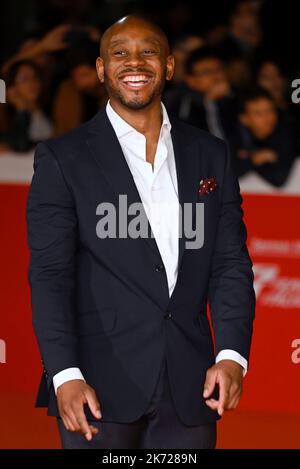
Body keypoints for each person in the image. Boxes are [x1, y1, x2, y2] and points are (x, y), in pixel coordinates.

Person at [26, 15, 255, 449]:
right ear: (100, 69)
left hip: (191, 389)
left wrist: (231, 356)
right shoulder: (63, 158)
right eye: (120, 52)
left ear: (168, 65)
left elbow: (230, 265)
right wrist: (64, 375)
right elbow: (50, 276)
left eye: (148, 51)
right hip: (96, 388)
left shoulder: (210, 155)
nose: (136, 62)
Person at [164, 47, 239, 148]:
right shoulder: (184, 106)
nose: (216, 76)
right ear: (191, 80)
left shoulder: (238, 97)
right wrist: (210, 103)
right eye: (207, 72)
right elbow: (218, 146)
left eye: (218, 69)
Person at [233, 88, 297, 186]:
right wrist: (253, 160)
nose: (268, 117)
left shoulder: (287, 133)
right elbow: (222, 173)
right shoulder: (235, 137)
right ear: (244, 118)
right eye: (259, 113)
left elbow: (279, 178)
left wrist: (248, 160)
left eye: (270, 110)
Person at [0, 60, 53, 153]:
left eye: (35, 77)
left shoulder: (50, 108)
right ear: (12, 86)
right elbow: (20, 145)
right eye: (24, 79)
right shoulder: (6, 118)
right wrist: (21, 111)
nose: (32, 83)